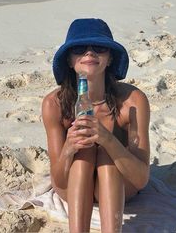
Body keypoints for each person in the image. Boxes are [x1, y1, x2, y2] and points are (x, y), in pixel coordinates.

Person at [42, 18, 150, 233]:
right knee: (84, 153)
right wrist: (69, 149)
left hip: (119, 186)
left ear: (109, 59)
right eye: (79, 49)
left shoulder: (132, 101)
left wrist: (108, 140)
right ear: (70, 61)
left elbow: (141, 178)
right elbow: (59, 179)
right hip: (73, 186)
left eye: (99, 48)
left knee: (106, 156)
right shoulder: (54, 104)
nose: (89, 54)